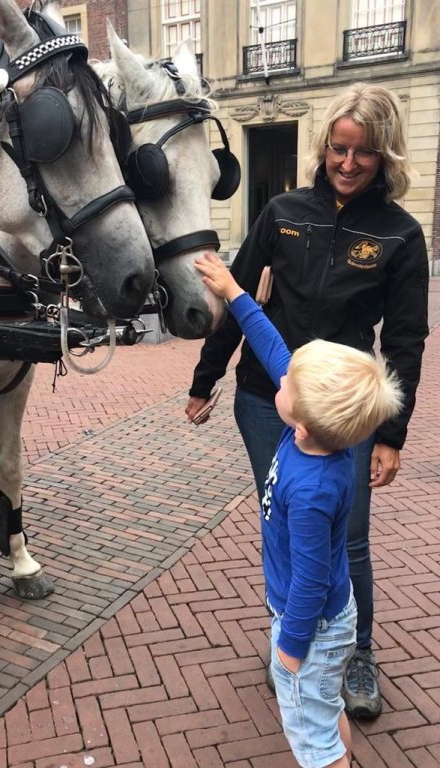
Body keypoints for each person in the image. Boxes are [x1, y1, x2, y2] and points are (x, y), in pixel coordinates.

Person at [185, 83, 429, 719]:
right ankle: (292, 643)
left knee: (346, 537)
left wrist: (390, 434)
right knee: (286, 526)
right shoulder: (284, 211)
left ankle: (356, 654)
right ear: (324, 147)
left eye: (364, 153)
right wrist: (205, 377)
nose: (347, 165)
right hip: (267, 399)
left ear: (385, 156)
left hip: (344, 412)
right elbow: (238, 296)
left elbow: (405, 342)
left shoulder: (401, 234)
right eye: (338, 150)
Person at [194, 251, 403, 768]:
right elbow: (271, 347)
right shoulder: (318, 435)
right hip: (330, 618)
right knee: (326, 711)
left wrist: (289, 648)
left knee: (312, 740)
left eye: (286, 385)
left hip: (311, 623)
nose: (280, 379)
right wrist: (234, 292)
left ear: (301, 424)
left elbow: (310, 579)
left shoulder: (311, 490)